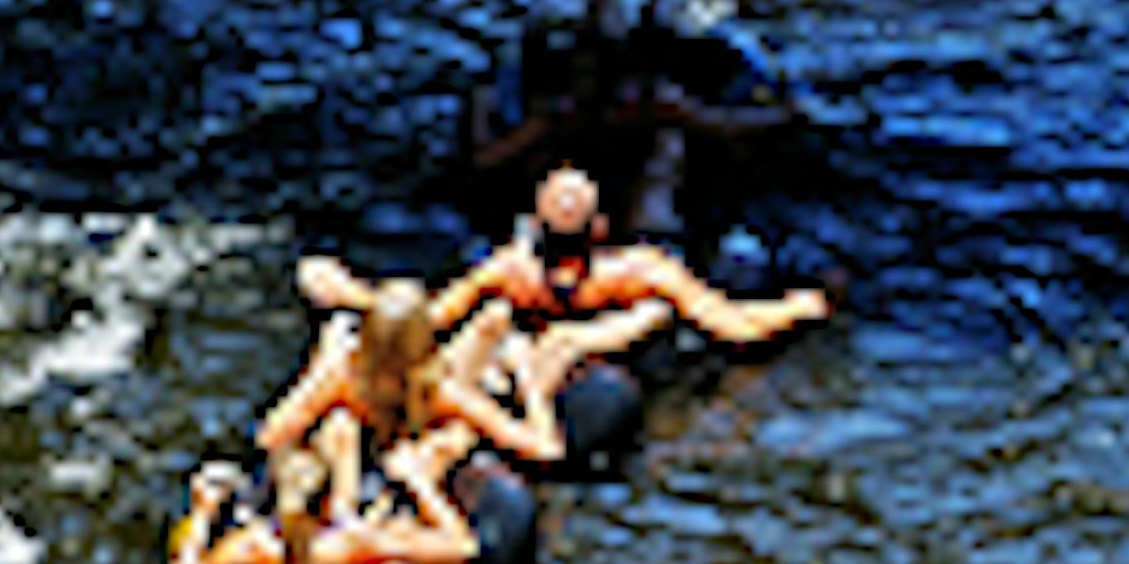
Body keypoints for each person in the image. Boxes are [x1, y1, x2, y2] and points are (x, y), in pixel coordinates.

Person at [298, 166, 829, 344]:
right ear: (600, 230)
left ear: (532, 228)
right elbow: (733, 324)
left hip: (555, 316)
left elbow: (427, 319)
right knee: (659, 192)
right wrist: (800, 306)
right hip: (614, 309)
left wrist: (354, 294)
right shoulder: (640, 270)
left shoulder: (508, 271)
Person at [257, 280, 670, 468]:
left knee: (492, 320)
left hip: (384, 428)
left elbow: (270, 436)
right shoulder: (444, 391)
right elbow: (545, 449)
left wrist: (318, 366)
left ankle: (494, 345)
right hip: (422, 431)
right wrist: (530, 383)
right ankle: (504, 357)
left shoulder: (344, 379)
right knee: (500, 323)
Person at [167, 424, 480, 564]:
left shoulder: (251, 547)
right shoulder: (355, 544)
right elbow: (462, 546)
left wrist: (202, 513)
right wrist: (419, 483)